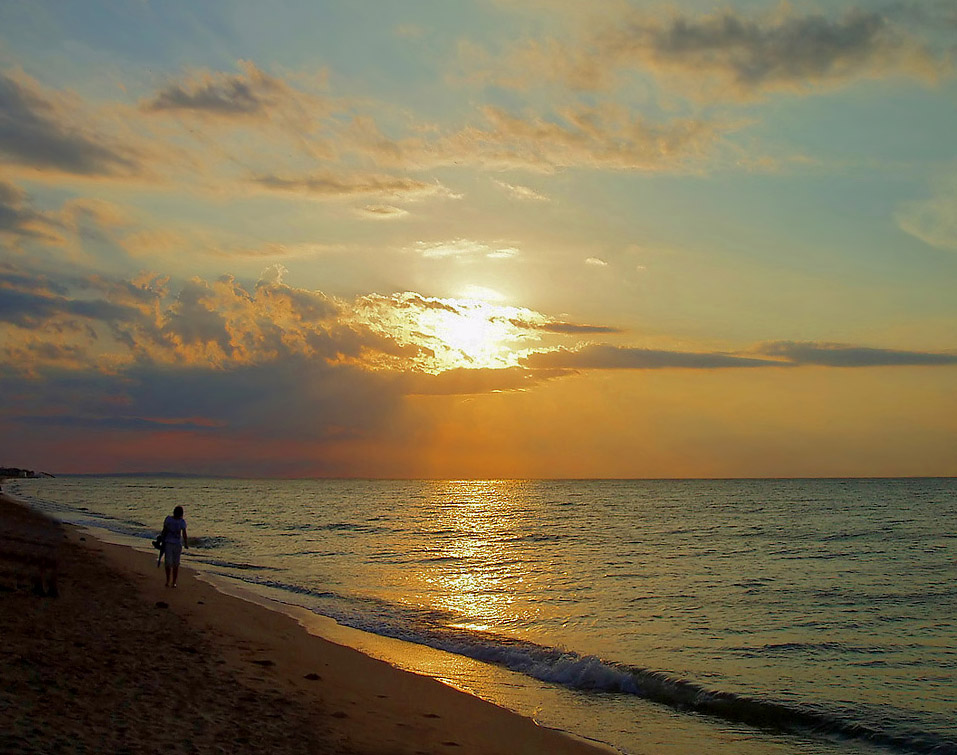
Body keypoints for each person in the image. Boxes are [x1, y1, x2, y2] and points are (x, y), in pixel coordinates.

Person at [161, 505, 188, 587]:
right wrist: (162, 539)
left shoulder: (182, 522)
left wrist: (185, 543)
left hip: (177, 544)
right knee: (168, 563)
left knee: (176, 564)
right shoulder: (169, 519)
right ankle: (168, 580)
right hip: (168, 543)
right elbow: (164, 530)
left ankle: (174, 582)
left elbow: (184, 533)